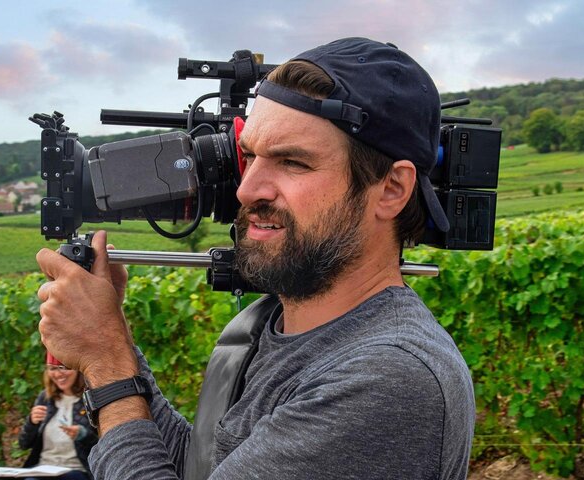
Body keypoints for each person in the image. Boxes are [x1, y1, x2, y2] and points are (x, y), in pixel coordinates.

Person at [36, 37, 475, 479]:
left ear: (392, 189)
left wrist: (107, 364)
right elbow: (203, 468)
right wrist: (111, 340)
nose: (248, 190)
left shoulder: (387, 376)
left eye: (293, 162)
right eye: (250, 157)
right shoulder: (280, 326)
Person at [17, 352, 98, 480]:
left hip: (76, 471)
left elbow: (103, 445)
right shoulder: (45, 398)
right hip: (42, 470)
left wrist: (83, 435)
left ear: (77, 369)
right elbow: (23, 444)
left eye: (64, 367)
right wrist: (32, 422)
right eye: (53, 368)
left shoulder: (91, 399)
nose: (58, 374)